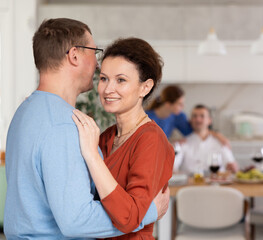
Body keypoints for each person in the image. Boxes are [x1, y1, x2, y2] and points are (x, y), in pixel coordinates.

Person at [4, 18, 169, 239]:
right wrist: (148, 213)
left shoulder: (25, 112)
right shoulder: (66, 125)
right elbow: (77, 221)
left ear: (145, 87)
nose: (97, 63)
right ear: (74, 56)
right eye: (94, 52)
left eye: (121, 80)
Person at [72, 37, 174, 239]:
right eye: (103, 78)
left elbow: (129, 218)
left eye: (121, 80)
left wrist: (92, 156)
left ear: (145, 87)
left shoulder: (151, 140)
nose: (108, 89)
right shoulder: (106, 137)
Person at [146, 85, 230, 146]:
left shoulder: (178, 116)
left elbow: (196, 131)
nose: (183, 107)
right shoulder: (146, 117)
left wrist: (218, 136)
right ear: (168, 104)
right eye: (179, 104)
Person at [173, 104, 238, 175]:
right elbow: (173, 167)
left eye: (202, 116)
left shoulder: (221, 142)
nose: (198, 119)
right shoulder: (183, 143)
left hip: (216, 183)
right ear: (190, 120)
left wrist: (232, 168)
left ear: (210, 120)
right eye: (194, 116)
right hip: (191, 184)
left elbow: (233, 167)